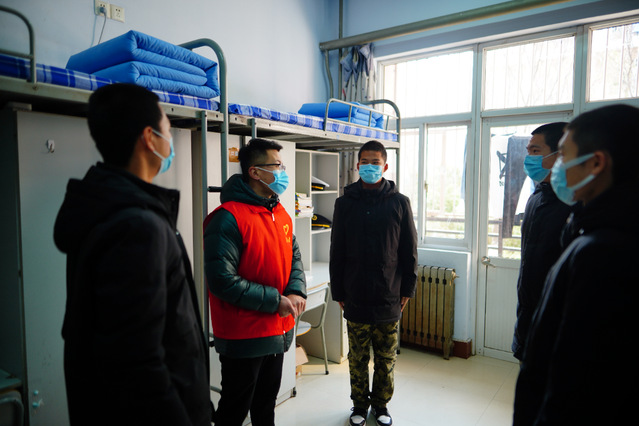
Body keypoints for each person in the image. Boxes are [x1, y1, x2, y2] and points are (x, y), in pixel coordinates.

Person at [53, 83, 212, 425]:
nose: (170, 140)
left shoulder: (106, 207)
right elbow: (137, 364)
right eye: (167, 129)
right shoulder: (137, 227)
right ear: (149, 138)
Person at [513, 104, 639, 425]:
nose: (559, 167)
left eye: (565, 156)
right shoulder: (585, 221)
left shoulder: (604, 251)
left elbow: (576, 374)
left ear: (596, 163)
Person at [203, 138, 307, 426]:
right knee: (234, 411)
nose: (283, 172)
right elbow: (222, 281)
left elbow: (294, 255)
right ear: (255, 172)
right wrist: (275, 301)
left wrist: (295, 290)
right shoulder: (227, 219)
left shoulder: (279, 212)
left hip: (277, 329)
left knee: (265, 407)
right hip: (244, 336)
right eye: (277, 166)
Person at [330, 140, 418, 426]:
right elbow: (337, 250)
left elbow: (409, 251)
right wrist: (338, 291)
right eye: (365, 162)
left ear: (385, 166)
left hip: (389, 295)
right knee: (356, 357)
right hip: (355, 294)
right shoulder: (344, 203)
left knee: (385, 358)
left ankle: (381, 405)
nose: (370, 167)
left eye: (375, 162)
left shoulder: (399, 203)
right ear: (357, 166)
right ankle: (359, 405)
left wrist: (407, 289)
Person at [512, 122, 571, 362]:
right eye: (528, 151)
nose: (529, 158)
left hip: (557, 326)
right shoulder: (535, 198)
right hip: (528, 314)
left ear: (560, 155)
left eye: (536, 151)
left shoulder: (573, 204)